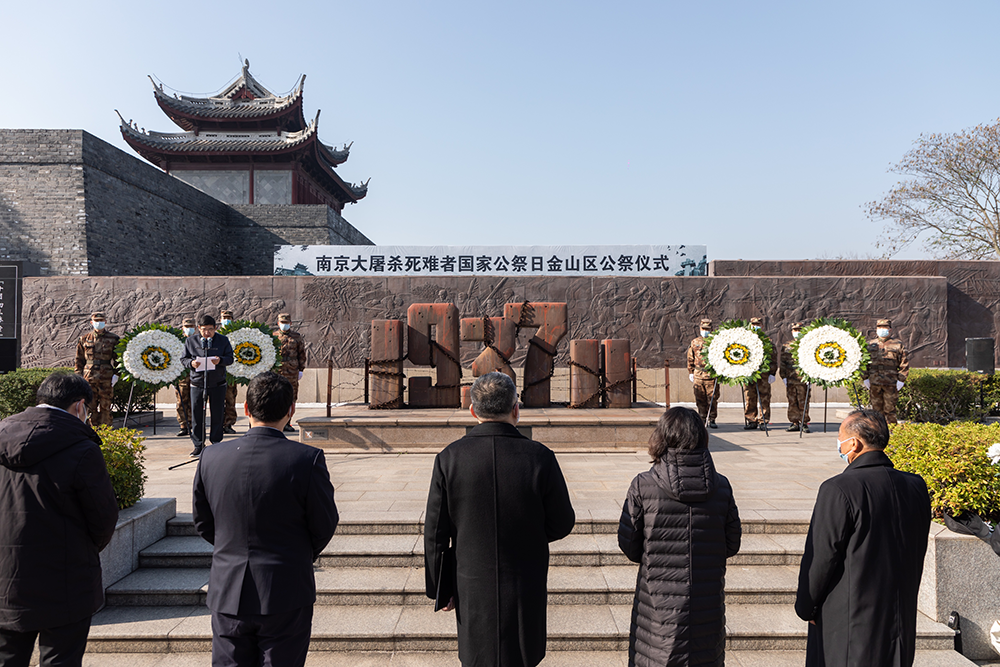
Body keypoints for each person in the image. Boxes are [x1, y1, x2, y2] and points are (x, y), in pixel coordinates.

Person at [424, 372, 576, 667]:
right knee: (522, 654)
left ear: (472, 411)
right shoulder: (540, 457)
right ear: (516, 409)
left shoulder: (449, 458)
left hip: (471, 582)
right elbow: (562, 521)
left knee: (477, 656)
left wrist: (440, 590)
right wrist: (528, 531)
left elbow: (436, 533)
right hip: (524, 579)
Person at [193, 372, 339, 667]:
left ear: (245, 409)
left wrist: (232, 547)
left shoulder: (211, 457)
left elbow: (203, 522)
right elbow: (323, 524)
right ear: (291, 411)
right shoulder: (305, 459)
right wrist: (295, 554)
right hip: (285, 586)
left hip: (228, 587)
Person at [795, 409, 931, 667]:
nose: (839, 444)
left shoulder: (839, 488)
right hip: (899, 622)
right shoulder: (916, 486)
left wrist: (806, 606)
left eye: (840, 437)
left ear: (854, 443)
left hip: (849, 624)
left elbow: (821, 557)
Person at [0, 371, 119, 666]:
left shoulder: (2, 436)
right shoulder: (82, 448)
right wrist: (85, 551)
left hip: (4, 580)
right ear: (80, 406)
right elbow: (103, 518)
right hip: (66, 578)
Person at [618, 406, 741, 666]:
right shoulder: (722, 486)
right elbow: (732, 543)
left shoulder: (643, 485)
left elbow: (630, 545)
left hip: (657, 606)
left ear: (661, 437)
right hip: (706, 605)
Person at [182, 315, 234, 457]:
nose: (207, 333)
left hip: (217, 383)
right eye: (204, 330)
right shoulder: (191, 341)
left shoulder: (223, 341)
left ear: (215, 328)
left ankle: (216, 442)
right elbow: (184, 359)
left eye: (210, 330)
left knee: (217, 414)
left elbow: (230, 358)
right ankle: (198, 444)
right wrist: (191, 363)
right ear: (199, 328)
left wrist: (220, 360)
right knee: (197, 415)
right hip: (197, 383)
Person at [74, 311, 120, 427]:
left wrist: (117, 375)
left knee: (106, 407)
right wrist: (79, 376)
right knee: (90, 407)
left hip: (106, 378)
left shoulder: (114, 339)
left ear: (105, 322)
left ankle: (106, 434)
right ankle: (92, 433)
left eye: (101, 321)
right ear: (91, 322)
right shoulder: (84, 339)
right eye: (96, 321)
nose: (99, 323)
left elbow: (118, 360)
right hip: (89, 377)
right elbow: (79, 360)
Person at [862, 318, 909, 423]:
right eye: (880, 327)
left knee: (890, 410)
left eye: (885, 327)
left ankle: (892, 433)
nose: (882, 329)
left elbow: (904, 363)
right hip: (875, 382)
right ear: (876, 329)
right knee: (876, 410)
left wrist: (901, 380)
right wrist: (865, 378)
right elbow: (864, 363)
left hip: (891, 382)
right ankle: (878, 431)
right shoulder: (869, 345)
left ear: (890, 330)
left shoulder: (898, 344)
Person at [742, 317, 777, 430]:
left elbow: (773, 358)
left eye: (758, 324)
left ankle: (763, 421)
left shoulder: (768, 341)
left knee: (764, 398)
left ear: (762, 326)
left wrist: (772, 373)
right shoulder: (744, 340)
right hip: (749, 374)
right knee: (750, 397)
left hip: (763, 375)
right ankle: (751, 420)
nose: (755, 326)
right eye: (753, 324)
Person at [275, 313, 307, 433]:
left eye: (286, 323)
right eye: (282, 323)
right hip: (278, 371)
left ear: (291, 323)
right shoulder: (273, 337)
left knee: (291, 397)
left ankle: (287, 422)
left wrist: (300, 370)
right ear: (278, 324)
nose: (284, 325)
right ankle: (278, 423)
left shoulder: (296, 337)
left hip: (292, 372)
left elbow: (302, 354)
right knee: (277, 397)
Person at [687, 318, 720, 429]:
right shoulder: (695, 342)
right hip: (698, 374)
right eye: (703, 329)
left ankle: (712, 419)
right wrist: (691, 371)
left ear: (711, 329)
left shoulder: (717, 342)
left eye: (707, 329)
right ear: (700, 328)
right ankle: (702, 418)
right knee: (699, 398)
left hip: (711, 375)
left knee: (712, 398)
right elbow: (690, 357)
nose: (705, 331)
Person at [780, 321, 811, 432]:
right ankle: (794, 423)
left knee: (803, 401)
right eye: (795, 330)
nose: (797, 332)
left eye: (799, 330)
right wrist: (783, 376)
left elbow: (812, 362)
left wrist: (811, 377)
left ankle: (804, 422)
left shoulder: (809, 345)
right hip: (791, 378)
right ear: (792, 331)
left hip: (803, 379)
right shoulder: (786, 346)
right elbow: (783, 362)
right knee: (792, 401)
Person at [219, 309, 239, 435]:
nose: (226, 320)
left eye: (229, 318)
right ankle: (219, 424)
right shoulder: (216, 335)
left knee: (230, 400)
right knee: (218, 401)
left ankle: (229, 424)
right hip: (219, 372)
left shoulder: (237, 334)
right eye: (224, 318)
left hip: (233, 372)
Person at [175, 316, 196, 437]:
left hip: (195, 375)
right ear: (182, 328)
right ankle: (183, 426)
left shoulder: (199, 340)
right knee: (181, 401)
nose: (189, 329)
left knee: (195, 402)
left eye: (191, 327)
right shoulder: (177, 341)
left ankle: (194, 424)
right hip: (182, 376)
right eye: (187, 327)